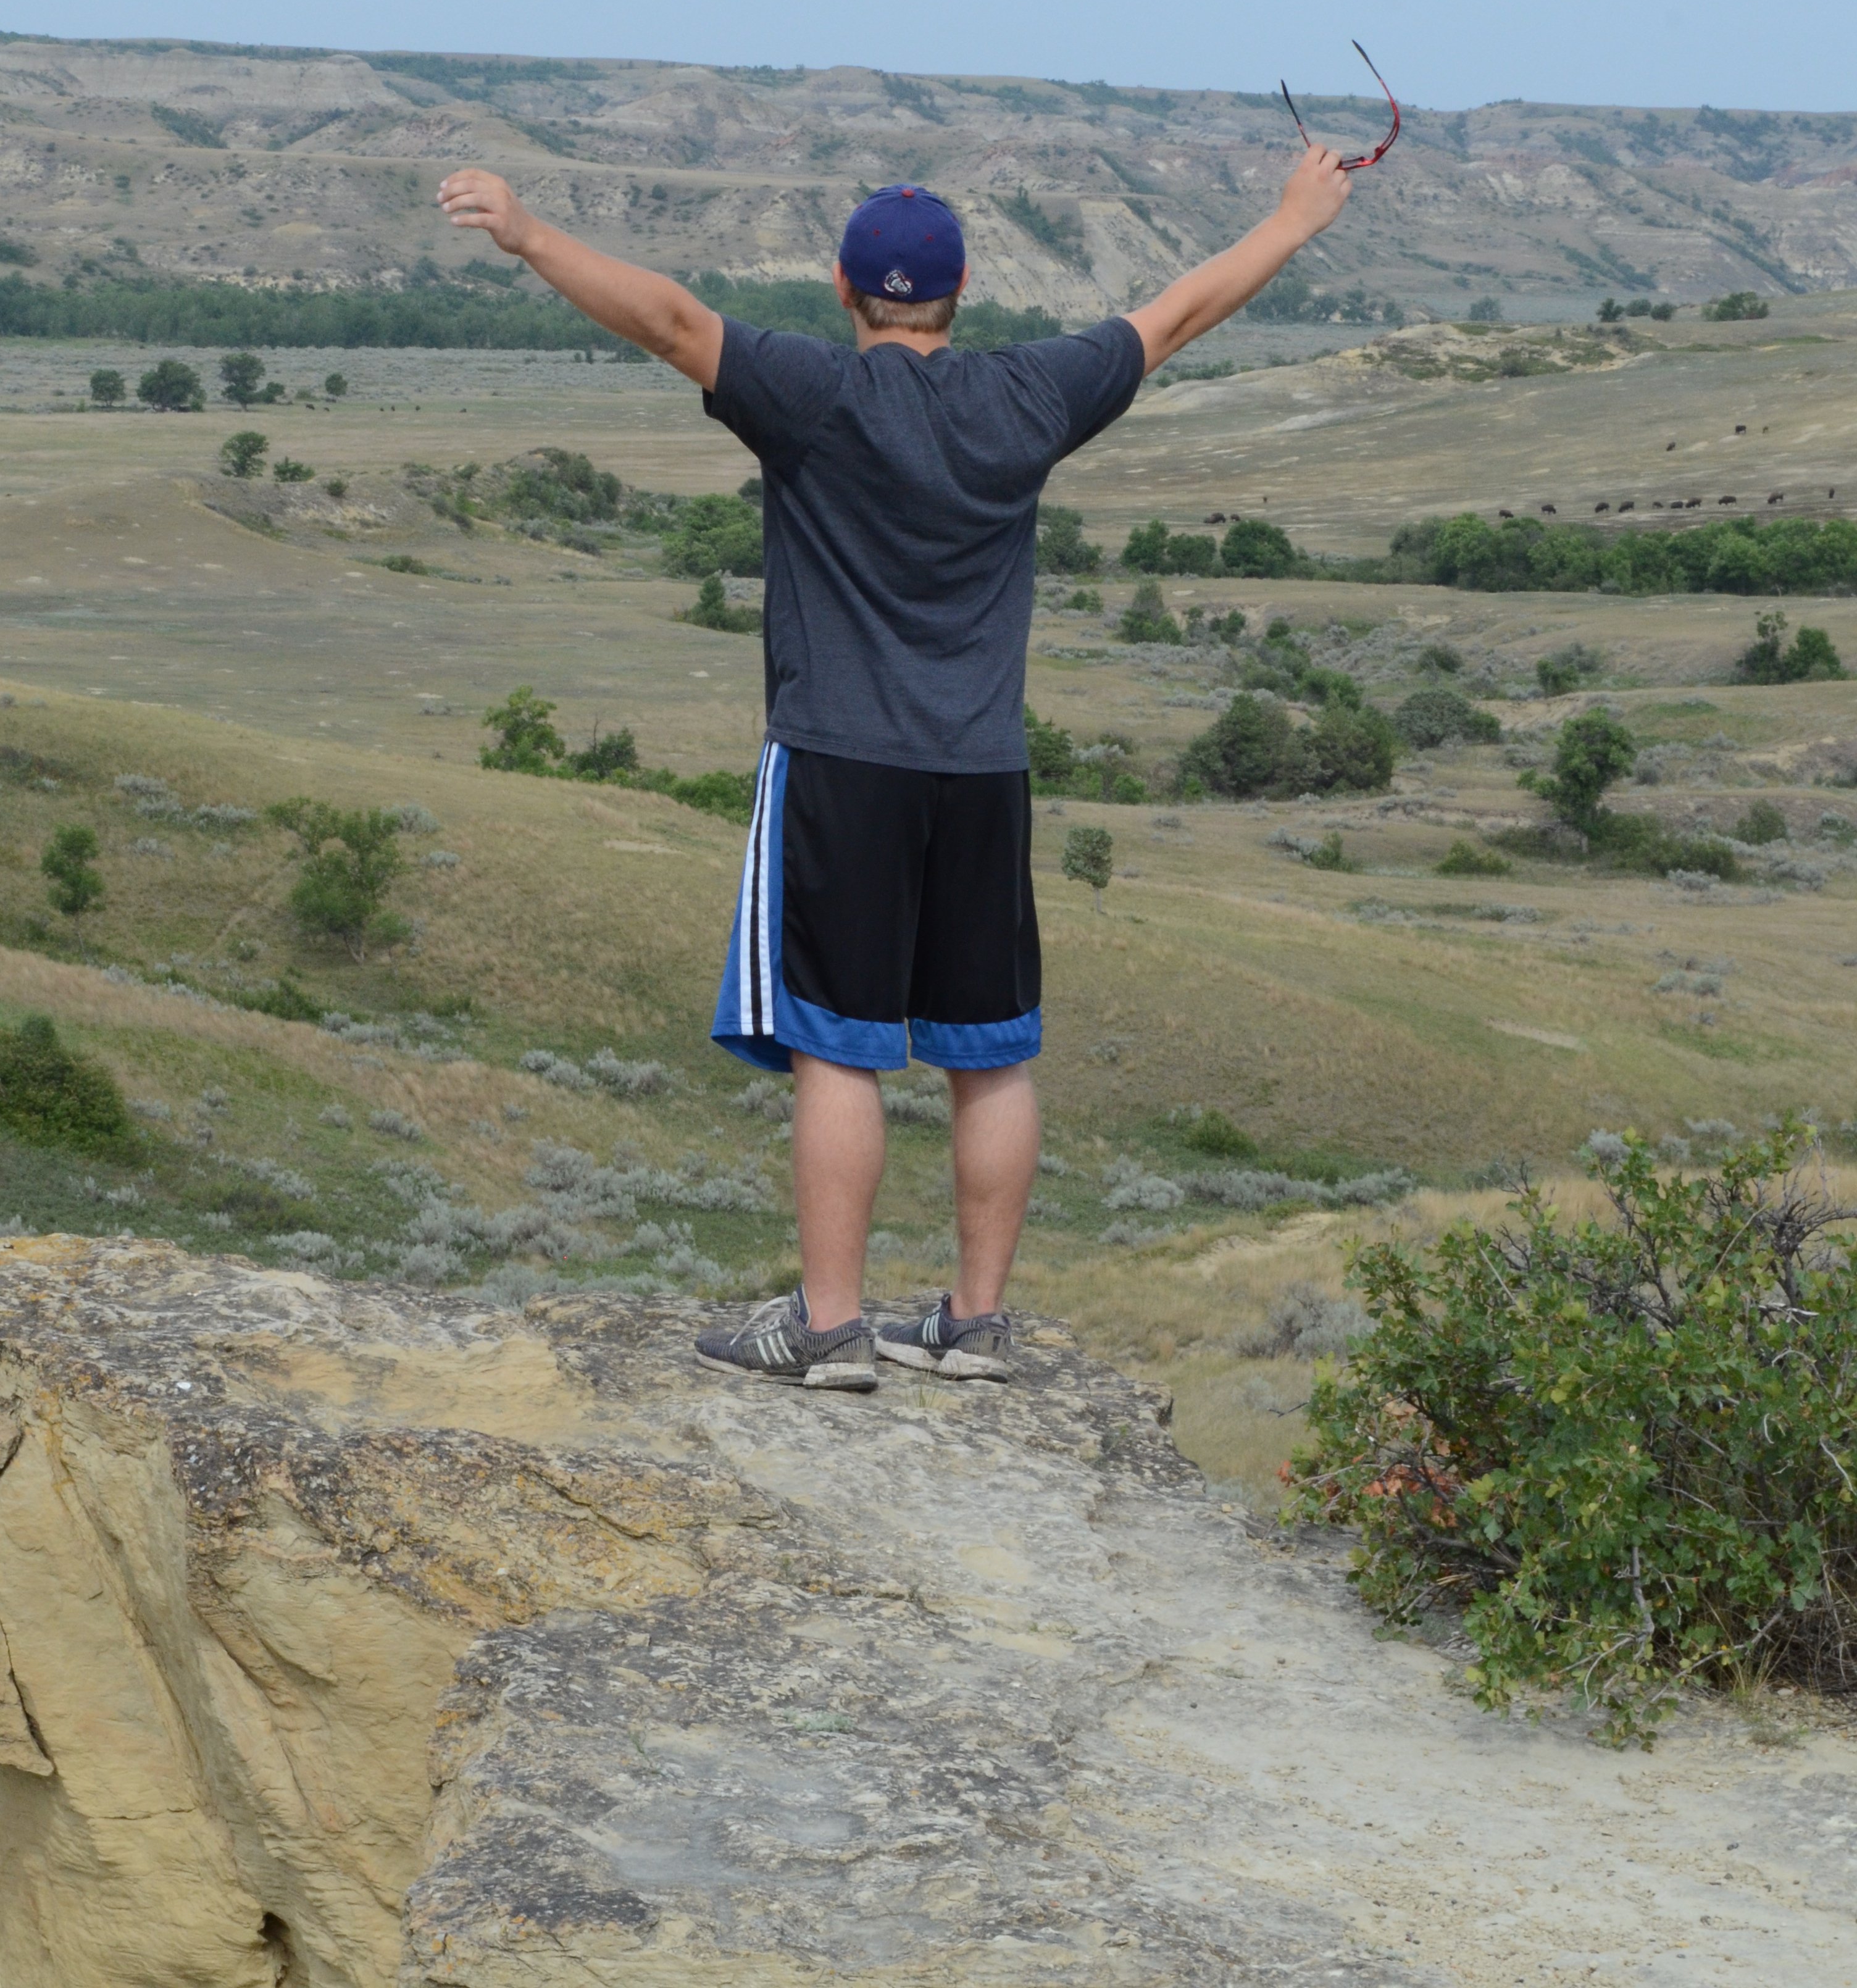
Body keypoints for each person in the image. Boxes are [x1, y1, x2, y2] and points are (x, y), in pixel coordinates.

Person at [438, 140, 1349, 1390]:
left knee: (838, 1047)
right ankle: (976, 1323)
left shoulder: (813, 395)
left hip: (841, 763)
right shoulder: (1031, 394)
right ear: (962, 292)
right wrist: (1294, 219)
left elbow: (670, 321)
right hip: (983, 772)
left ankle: (830, 1328)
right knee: (991, 1051)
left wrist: (529, 232)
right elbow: (1177, 314)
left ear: (843, 288)